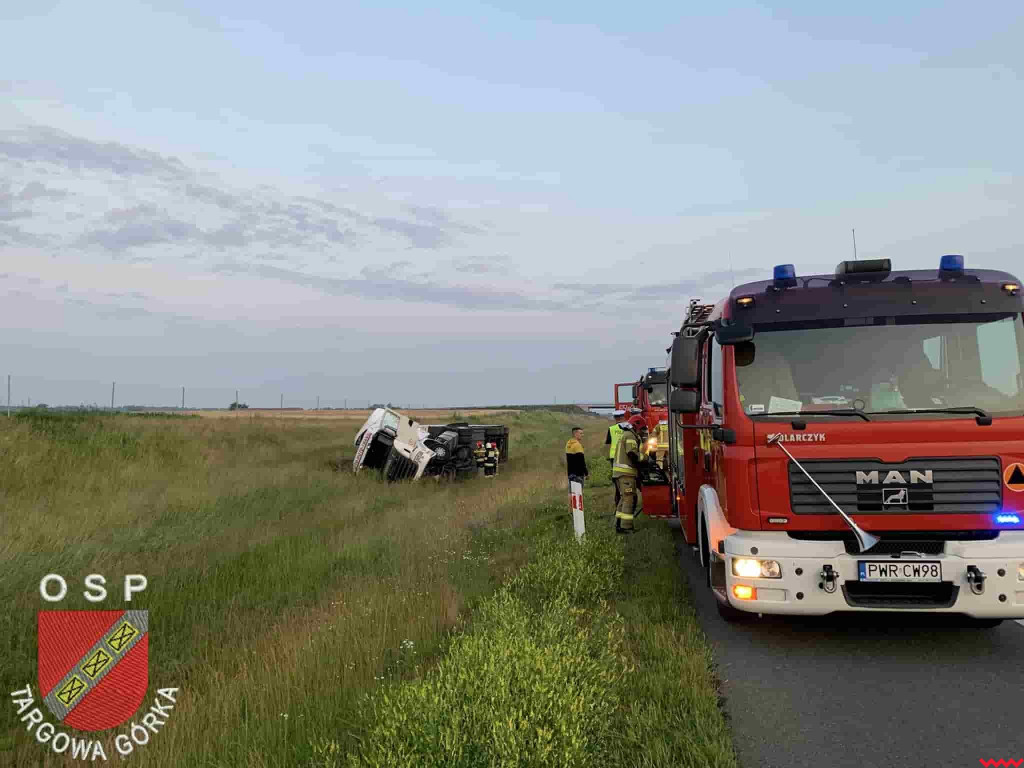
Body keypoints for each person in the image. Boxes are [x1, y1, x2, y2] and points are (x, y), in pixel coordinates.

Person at [612, 416, 649, 534]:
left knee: (623, 498)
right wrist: (645, 459)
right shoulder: (630, 436)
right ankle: (626, 527)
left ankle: (618, 524)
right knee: (629, 499)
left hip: (620, 473)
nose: (642, 431)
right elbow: (632, 454)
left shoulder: (626, 434)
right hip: (626, 474)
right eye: (641, 428)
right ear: (636, 425)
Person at [606, 410, 627, 505]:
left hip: (613, 457)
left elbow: (608, 443)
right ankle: (626, 499)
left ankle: (617, 501)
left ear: (615, 418)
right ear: (623, 417)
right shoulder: (627, 428)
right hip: (624, 456)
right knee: (626, 478)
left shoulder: (611, 429)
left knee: (616, 479)